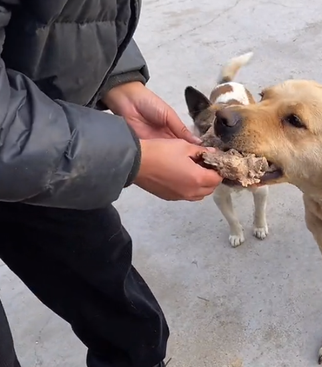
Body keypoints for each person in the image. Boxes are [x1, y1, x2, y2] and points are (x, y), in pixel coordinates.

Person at [0, 1, 224, 367]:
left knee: (127, 319)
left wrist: (118, 82)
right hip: (20, 133)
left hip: (41, 133)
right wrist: (133, 160)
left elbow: (69, 13)